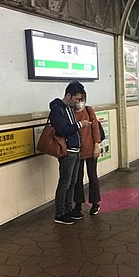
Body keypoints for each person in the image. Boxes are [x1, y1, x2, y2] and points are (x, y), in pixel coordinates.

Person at [49, 81, 90, 225]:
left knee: (72, 182)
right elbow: (62, 129)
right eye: (77, 99)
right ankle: (59, 213)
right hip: (67, 151)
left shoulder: (70, 108)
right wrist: (79, 124)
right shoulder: (57, 108)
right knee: (64, 183)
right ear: (68, 95)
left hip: (76, 150)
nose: (78, 102)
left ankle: (68, 209)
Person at [73, 94, 101, 217]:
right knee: (77, 178)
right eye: (77, 100)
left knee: (92, 176)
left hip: (91, 149)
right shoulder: (70, 112)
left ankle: (95, 203)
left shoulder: (89, 110)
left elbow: (95, 128)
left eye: (82, 100)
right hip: (76, 151)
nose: (79, 102)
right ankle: (78, 204)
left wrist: (96, 145)